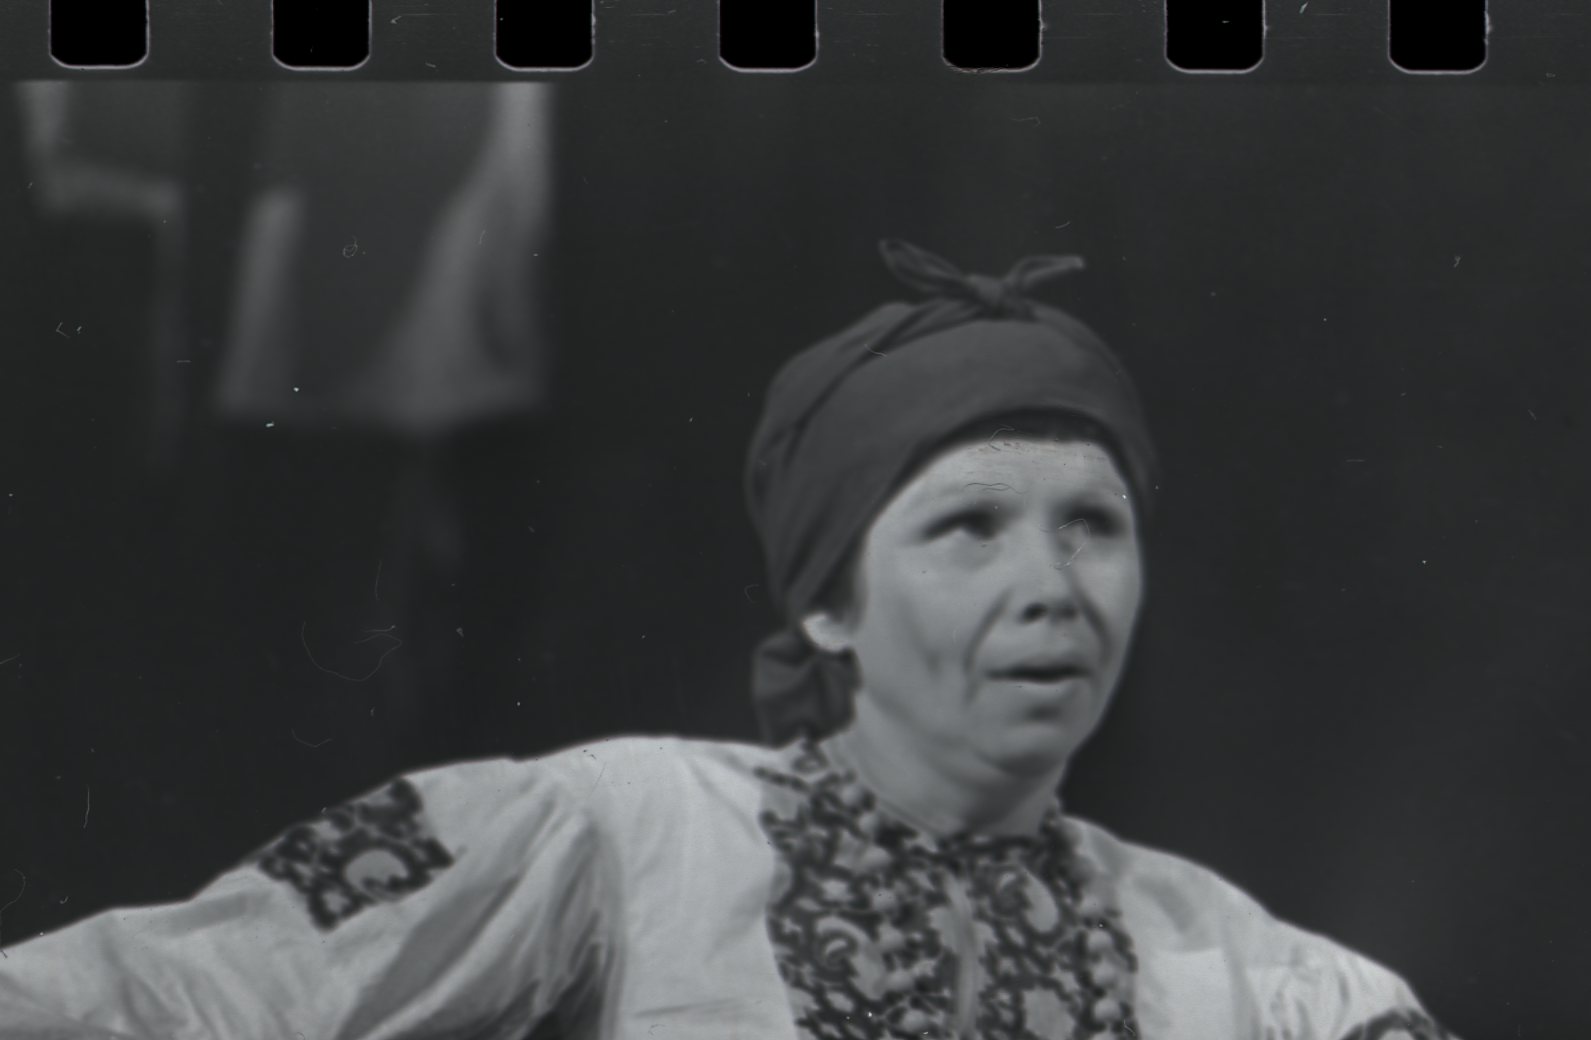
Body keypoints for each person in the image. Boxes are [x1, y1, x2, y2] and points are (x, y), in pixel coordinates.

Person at [0, 241, 1453, 1039]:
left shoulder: (1244, 971)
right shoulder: (621, 831)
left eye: (1093, 524)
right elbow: (189, 985)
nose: (1053, 585)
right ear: (828, 601)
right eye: (968, 526)